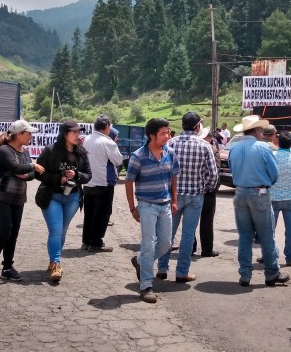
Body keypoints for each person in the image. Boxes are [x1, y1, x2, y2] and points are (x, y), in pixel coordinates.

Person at [228, 115, 289, 287]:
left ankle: (245, 274)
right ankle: (271, 273)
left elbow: (232, 169)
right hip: (259, 192)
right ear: (256, 130)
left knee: (244, 236)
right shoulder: (263, 148)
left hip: (240, 192)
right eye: (260, 129)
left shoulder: (234, 148)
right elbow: (274, 174)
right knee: (266, 236)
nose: (262, 132)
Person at [157, 111, 217, 283]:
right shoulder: (204, 146)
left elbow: (162, 170)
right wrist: (204, 188)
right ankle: (182, 272)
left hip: (173, 196)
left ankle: (162, 269)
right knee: (187, 236)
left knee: (168, 233)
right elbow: (213, 176)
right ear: (197, 126)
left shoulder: (170, 144)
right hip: (195, 196)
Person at [0, 120, 44, 283]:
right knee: (5, 231)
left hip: (17, 198)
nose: (31, 136)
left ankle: (7, 267)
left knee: (13, 234)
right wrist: (30, 167)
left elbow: (30, 175)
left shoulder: (24, 152)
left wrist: (27, 172)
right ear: (19, 134)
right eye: (28, 133)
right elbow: (17, 167)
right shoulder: (4, 150)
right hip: (0, 196)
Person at [126, 118, 180, 303]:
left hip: (165, 205)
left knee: (166, 243)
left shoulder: (170, 153)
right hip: (146, 205)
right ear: (152, 136)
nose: (168, 136)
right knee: (148, 244)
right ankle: (146, 285)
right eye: (164, 133)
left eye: (169, 132)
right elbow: (128, 181)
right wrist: (132, 208)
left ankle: (141, 262)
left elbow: (174, 177)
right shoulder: (138, 156)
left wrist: (174, 200)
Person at [35, 120, 91, 282]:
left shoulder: (81, 152)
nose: (77, 135)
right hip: (52, 196)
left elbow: (88, 175)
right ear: (65, 134)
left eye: (78, 132)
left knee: (63, 230)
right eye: (74, 132)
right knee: (56, 230)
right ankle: (56, 263)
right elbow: (39, 172)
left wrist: (77, 176)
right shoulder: (51, 150)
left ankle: (53, 258)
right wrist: (58, 179)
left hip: (73, 197)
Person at [82, 115, 122, 252]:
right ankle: (96, 243)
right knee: (102, 214)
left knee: (89, 213)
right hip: (103, 183)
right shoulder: (107, 142)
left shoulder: (87, 139)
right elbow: (118, 160)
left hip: (88, 183)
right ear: (106, 127)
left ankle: (86, 241)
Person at [272, 130, 291, 267]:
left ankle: (271, 255)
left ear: (277, 142)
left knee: (270, 229)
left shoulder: (272, 156)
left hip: (273, 197)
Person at [198, 126, 220, 257]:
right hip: (208, 192)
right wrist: (212, 189)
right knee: (206, 220)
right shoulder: (212, 149)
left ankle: (191, 247)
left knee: (189, 222)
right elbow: (215, 172)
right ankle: (206, 249)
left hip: (191, 190)